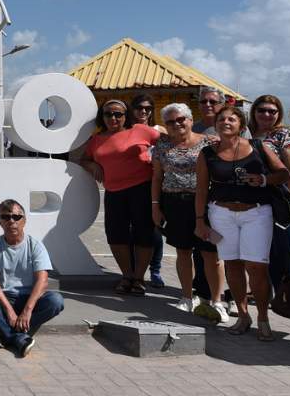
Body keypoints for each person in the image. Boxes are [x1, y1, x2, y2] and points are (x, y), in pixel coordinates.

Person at [195, 106, 287, 338]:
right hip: (221, 214)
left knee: (257, 266)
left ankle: (263, 318)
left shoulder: (257, 146)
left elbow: (284, 174)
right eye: (222, 119)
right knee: (233, 265)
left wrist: (263, 179)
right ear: (216, 124)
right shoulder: (207, 153)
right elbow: (201, 190)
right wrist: (200, 220)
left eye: (232, 119)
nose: (226, 122)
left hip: (256, 213)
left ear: (241, 125)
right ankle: (243, 316)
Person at [77, 98, 161, 294]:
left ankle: (139, 278)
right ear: (102, 117)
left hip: (142, 189)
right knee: (115, 235)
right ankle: (127, 275)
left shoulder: (141, 130)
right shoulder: (97, 139)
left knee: (144, 233)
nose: (113, 118)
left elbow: (169, 140)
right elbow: (84, 159)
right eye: (108, 114)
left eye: (118, 114)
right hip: (114, 192)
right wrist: (93, 165)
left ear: (126, 116)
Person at [150, 102, 223, 319]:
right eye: (170, 122)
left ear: (191, 120)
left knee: (211, 253)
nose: (176, 124)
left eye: (181, 119)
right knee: (182, 251)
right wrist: (155, 206)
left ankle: (217, 300)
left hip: (205, 204)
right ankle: (186, 297)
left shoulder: (209, 143)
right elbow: (156, 177)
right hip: (174, 203)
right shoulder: (161, 146)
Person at [0, 199, 65, 357]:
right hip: (5, 299)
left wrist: (27, 311)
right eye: (5, 217)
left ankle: (8, 335)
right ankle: (18, 337)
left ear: (24, 220)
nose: (11, 221)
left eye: (16, 217)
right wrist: (9, 311)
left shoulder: (35, 245)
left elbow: (43, 281)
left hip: (29, 299)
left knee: (56, 301)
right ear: (0, 222)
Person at [248, 93, 290, 300]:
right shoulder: (246, 132)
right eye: (262, 110)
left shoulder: (283, 136)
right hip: (249, 200)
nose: (266, 114)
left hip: (277, 199)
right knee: (257, 249)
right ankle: (261, 289)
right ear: (254, 112)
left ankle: (284, 294)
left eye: (272, 111)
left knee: (281, 250)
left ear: (279, 114)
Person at [128, 95, 167, 286]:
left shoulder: (159, 131)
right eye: (138, 108)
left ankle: (156, 270)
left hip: (155, 184)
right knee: (133, 231)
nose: (143, 111)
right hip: (132, 184)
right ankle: (135, 270)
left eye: (148, 108)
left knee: (154, 230)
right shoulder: (126, 130)